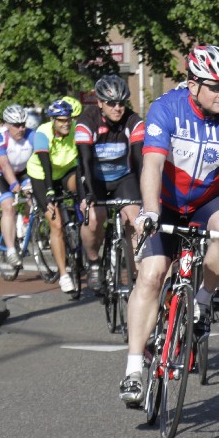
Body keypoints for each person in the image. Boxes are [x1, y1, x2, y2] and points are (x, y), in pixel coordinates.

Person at [119, 45, 219, 406]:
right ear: (193, 84)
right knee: (151, 276)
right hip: (165, 201)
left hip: (207, 200)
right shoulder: (167, 107)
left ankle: (203, 299)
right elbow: (152, 164)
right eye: (216, 86)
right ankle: (133, 369)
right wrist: (149, 212)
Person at [76, 74, 145, 294]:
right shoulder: (87, 121)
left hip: (123, 178)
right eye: (111, 103)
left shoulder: (133, 121)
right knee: (94, 217)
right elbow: (85, 161)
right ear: (99, 103)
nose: (117, 108)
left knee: (135, 218)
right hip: (93, 178)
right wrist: (88, 194)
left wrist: (146, 194)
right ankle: (94, 262)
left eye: (121, 103)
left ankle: (136, 276)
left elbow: (139, 161)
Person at [27, 97, 83, 293]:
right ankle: (64, 275)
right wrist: (50, 191)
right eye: (61, 120)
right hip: (42, 176)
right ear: (52, 120)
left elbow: (84, 158)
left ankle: (79, 221)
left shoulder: (76, 129)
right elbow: (45, 164)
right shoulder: (42, 133)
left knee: (81, 186)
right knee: (56, 224)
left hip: (65, 171)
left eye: (68, 119)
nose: (66, 124)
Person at [0, 105, 36, 266]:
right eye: (16, 125)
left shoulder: (31, 135)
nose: (21, 129)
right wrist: (13, 183)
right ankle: (11, 251)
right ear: (7, 125)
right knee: (8, 206)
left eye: (23, 124)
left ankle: (24, 224)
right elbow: (5, 165)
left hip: (21, 171)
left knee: (33, 198)